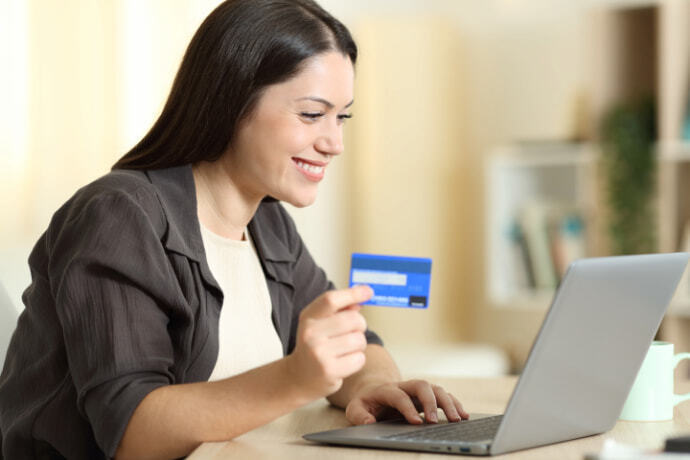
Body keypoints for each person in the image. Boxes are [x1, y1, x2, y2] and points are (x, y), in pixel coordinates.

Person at [0, 1, 469, 458]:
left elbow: (350, 342)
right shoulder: (118, 216)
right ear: (231, 101)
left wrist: (372, 386)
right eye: (311, 114)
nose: (334, 143)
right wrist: (295, 379)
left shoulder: (268, 221)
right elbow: (130, 433)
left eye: (341, 116)